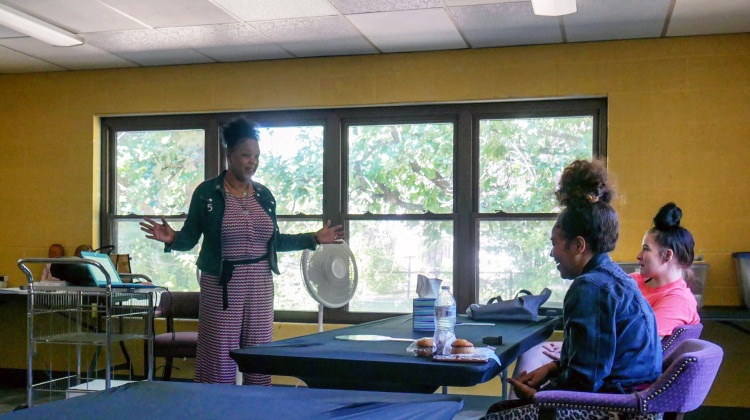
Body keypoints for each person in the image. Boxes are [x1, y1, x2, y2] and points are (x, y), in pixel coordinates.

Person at [140, 117, 345, 385]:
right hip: (222, 283)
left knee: (259, 358)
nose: (253, 162)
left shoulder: (264, 195)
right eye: (246, 155)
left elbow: (275, 242)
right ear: (229, 155)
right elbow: (189, 239)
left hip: (260, 283)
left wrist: (314, 238)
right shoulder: (207, 193)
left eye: (257, 156)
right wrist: (172, 238)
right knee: (219, 360)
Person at [485, 160, 661, 420]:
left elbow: (586, 380)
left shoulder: (590, 288)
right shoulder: (616, 279)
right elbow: (594, 361)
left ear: (578, 246)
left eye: (555, 244)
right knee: (500, 410)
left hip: (618, 410)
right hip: (633, 404)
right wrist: (552, 370)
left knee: (495, 417)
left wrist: (540, 395)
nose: (551, 252)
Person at [630, 203, 700, 337]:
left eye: (646, 249)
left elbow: (638, 341)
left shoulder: (679, 300)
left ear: (667, 255)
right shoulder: (632, 281)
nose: (638, 255)